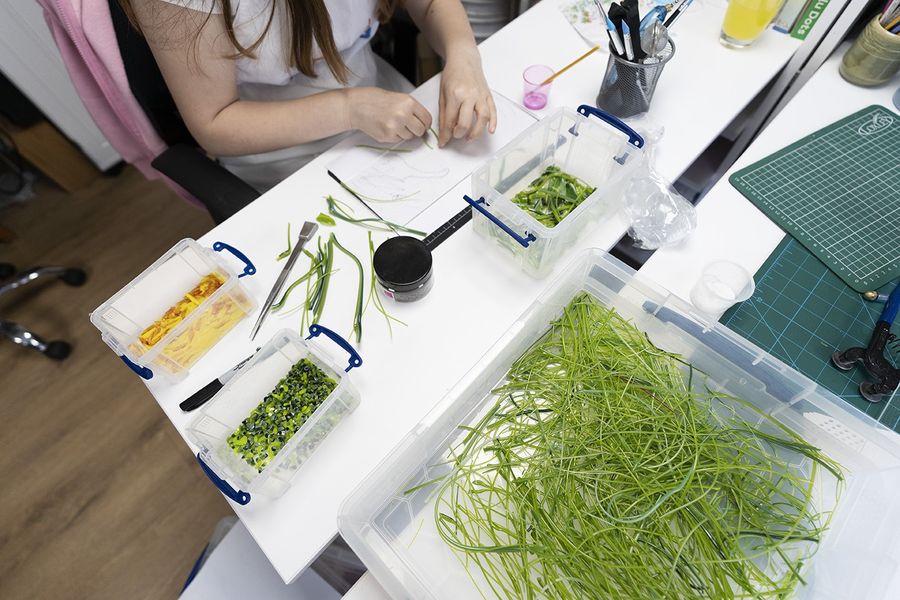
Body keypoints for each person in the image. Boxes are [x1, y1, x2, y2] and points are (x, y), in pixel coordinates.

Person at [122, 0, 498, 191]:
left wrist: (463, 53)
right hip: (278, 148)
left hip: (383, 99)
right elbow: (214, 122)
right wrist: (350, 108)